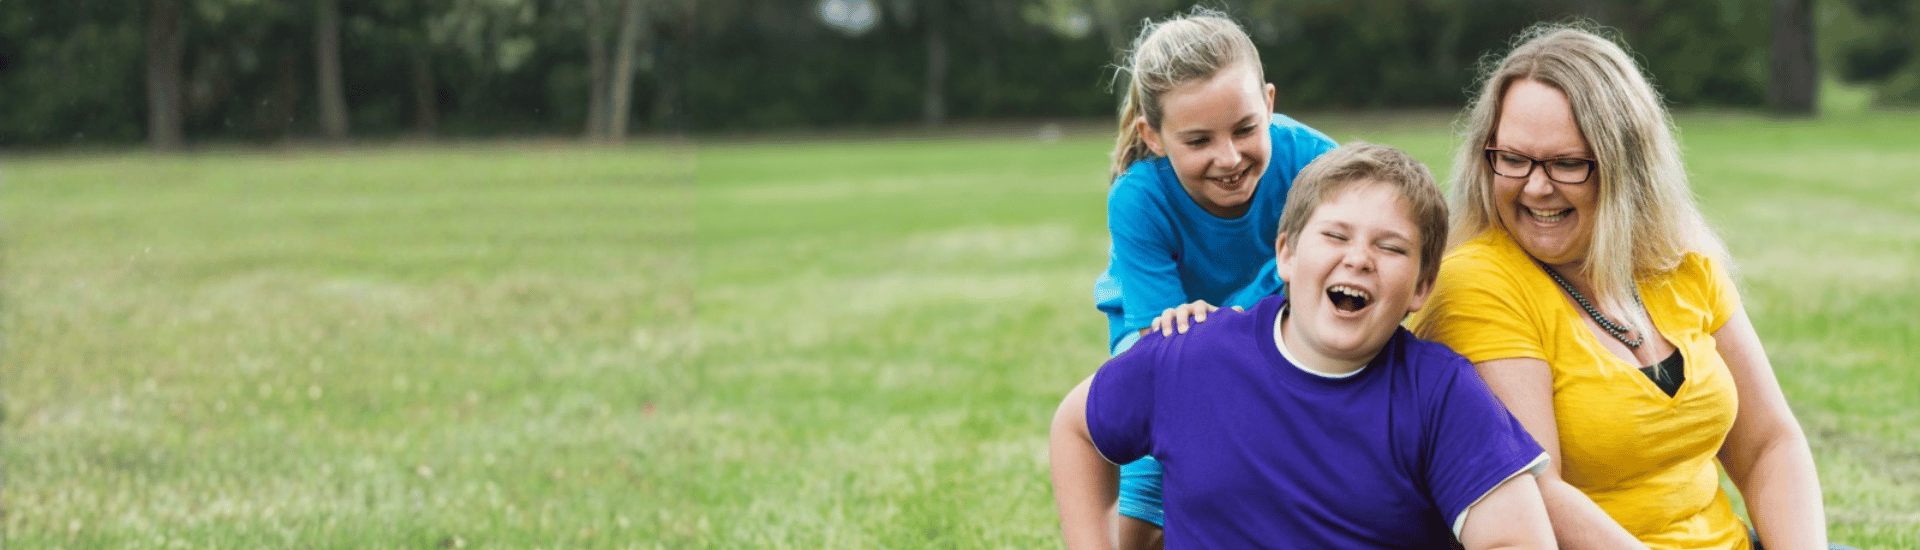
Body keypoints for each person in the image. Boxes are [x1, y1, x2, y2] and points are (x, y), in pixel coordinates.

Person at [1406, 24, 1836, 550]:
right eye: (1513, 159)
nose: (1536, 187)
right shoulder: (1476, 283)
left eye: (1568, 164)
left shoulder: (1679, 259)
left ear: (1627, 165)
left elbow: (1769, 443)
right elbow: (1536, 494)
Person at [1051, 143, 1556, 550]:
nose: (1359, 259)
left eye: (1390, 247)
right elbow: (1076, 428)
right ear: (1286, 255)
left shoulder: (1440, 392)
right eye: (1336, 235)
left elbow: (1518, 539)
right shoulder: (1191, 356)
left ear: (1422, 287)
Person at [1090, 9, 1335, 544]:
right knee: (1137, 527)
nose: (1229, 157)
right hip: (1166, 347)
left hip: (1278, 331)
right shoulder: (1139, 198)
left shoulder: (1316, 164)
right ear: (1152, 136)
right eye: (1198, 141)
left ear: (1269, 103)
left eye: (1246, 128)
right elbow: (1160, 352)